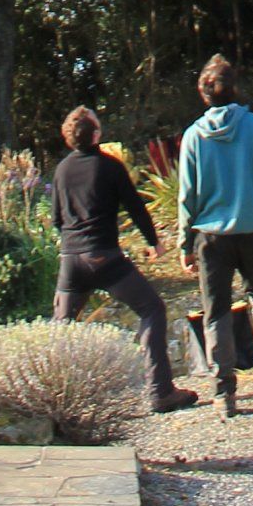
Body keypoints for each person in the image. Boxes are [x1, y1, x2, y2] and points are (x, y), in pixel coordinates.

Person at [176, 54, 253, 416]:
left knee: (215, 310)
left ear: (203, 96)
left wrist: (186, 245)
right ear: (235, 89)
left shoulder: (194, 137)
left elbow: (187, 196)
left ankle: (223, 393)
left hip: (210, 238)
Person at [49, 105, 196, 413]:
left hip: (71, 260)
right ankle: (160, 391)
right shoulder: (110, 166)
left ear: (68, 140)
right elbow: (135, 207)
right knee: (152, 309)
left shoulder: (61, 170)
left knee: (60, 329)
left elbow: (56, 220)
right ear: (97, 135)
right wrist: (154, 243)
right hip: (105, 258)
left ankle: (53, 401)